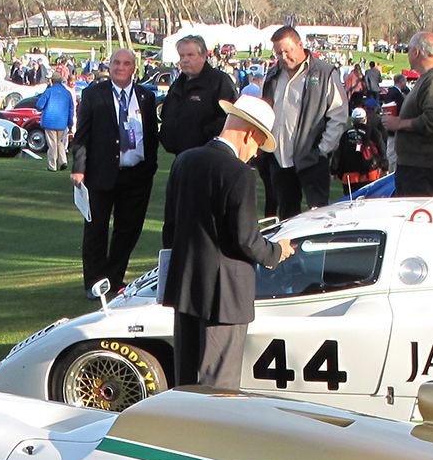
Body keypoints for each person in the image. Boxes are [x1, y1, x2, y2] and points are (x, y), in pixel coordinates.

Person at [160, 98, 291, 389]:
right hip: (225, 297)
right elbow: (246, 239)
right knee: (218, 386)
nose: (255, 154)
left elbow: (170, 229)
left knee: (185, 383)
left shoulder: (184, 161)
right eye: (258, 146)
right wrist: (277, 252)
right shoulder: (239, 173)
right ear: (249, 134)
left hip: (185, 288)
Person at [69, 48, 159, 297]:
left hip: (136, 175)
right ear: (109, 66)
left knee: (128, 229)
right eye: (116, 63)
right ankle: (95, 283)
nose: (121, 67)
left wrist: (150, 166)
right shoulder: (93, 95)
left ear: (134, 69)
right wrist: (79, 169)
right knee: (96, 228)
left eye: (126, 63)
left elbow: (151, 135)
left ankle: (114, 278)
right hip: (100, 173)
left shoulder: (145, 97)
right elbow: (82, 135)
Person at [256, 26, 347, 219]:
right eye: (278, 53)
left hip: (312, 159)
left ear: (300, 45)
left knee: (318, 215)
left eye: (287, 51)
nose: (283, 57)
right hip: (279, 159)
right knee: (286, 217)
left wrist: (322, 150)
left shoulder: (324, 73)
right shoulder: (272, 76)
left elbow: (338, 116)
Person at [380, 33, 433, 198]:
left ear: (416, 52)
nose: (407, 54)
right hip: (417, 166)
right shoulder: (431, 77)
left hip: (423, 168)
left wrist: (399, 124)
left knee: (415, 217)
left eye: (408, 50)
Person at [158, 35, 238, 159]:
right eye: (182, 56)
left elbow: (229, 118)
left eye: (190, 55)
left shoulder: (219, 82)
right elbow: (167, 114)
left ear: (203, 56)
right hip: (180, 156)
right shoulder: (178, 84)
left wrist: (201, 137)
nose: (184, 60)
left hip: (208, 157)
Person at [36, 64, 76, 171]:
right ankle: (63, 161)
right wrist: (70, 123)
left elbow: (39, 105)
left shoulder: (49, 91)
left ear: (52, 81)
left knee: (52, 144)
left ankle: (52, 165)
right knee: (60, 142)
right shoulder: (67, 93)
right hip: (62, 122)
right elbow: (71, 109)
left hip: (49, 120)